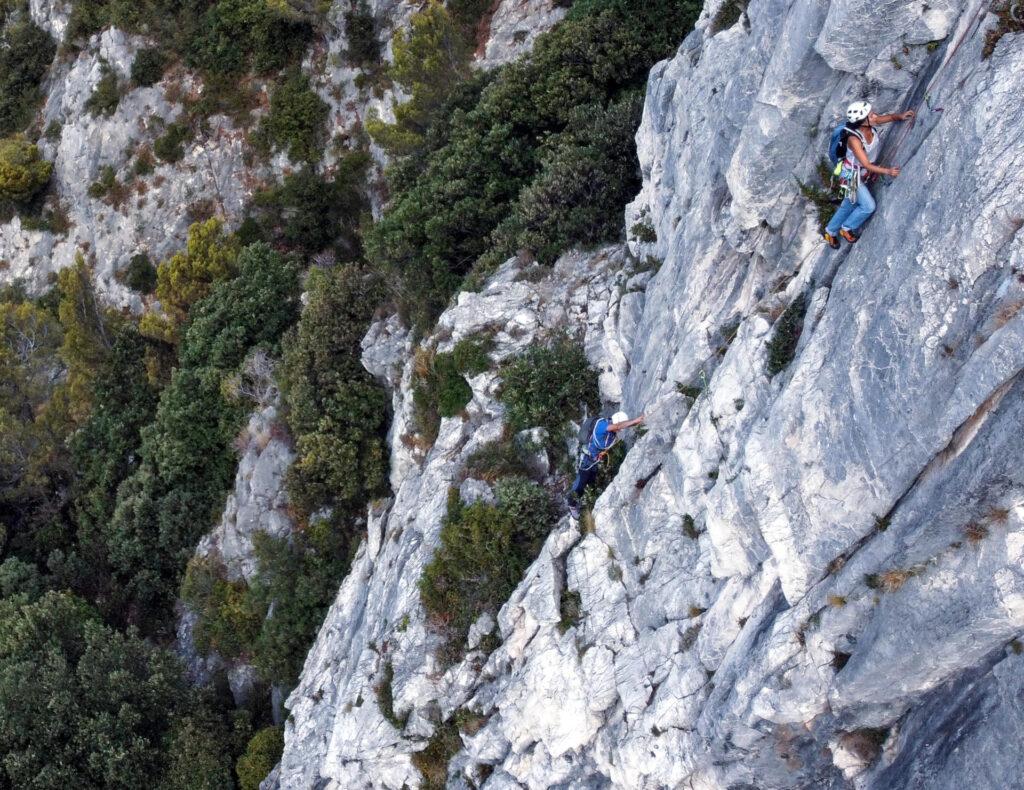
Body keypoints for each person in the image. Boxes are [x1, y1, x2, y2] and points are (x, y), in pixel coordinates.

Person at [823, 101, 915, 249]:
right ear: (863, 121)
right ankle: (846, 228)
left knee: (849, 204)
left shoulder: (869, 122)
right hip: (850, 175)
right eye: (871, 114)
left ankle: (830, 231)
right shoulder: (854, 140)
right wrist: (888, 171)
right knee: (868, 206)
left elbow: (887, 118)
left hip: (860, 172)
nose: (875, 115)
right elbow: (866, 164)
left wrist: (900, 116)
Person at [567, 411, 645, 519]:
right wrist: (635, 421)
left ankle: (586, 499)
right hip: (586, 459)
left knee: (591, 480)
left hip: (594, 458)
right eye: (618, 427)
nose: (619, 430)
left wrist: (637, 421)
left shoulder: (611, 428)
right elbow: (618, 425)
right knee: (581, 481)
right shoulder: (602, 426)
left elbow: (620, 425)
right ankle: (571, 503)